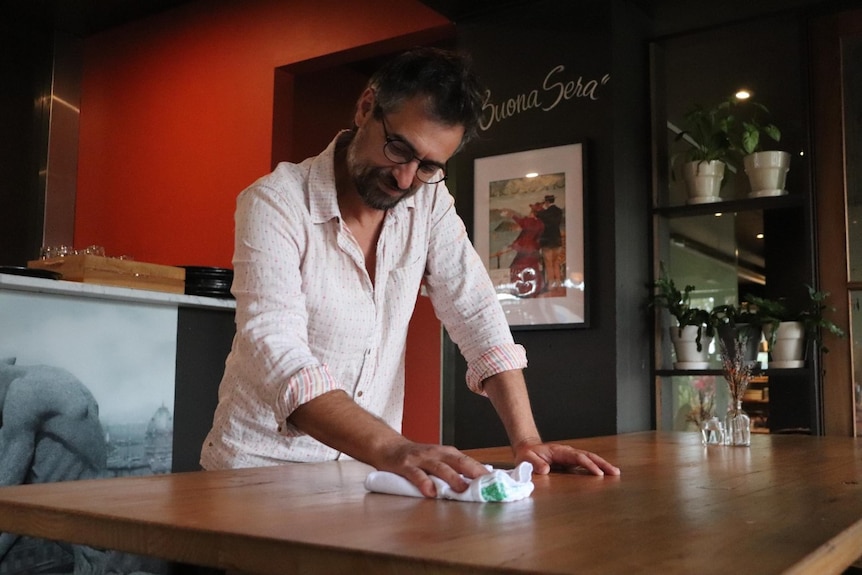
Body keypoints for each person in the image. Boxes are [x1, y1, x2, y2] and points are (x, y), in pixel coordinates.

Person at [201, 47, 619, 498]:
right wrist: (394, 447)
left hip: (366, 480)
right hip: (256, 479)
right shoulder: (276, 202)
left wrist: (528, 442)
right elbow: (276, 348)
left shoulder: (429, 202)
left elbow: (477, 313)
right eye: (399, 148)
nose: (405, 179)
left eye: (429, 166)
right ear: (365, 108)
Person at [536, 194, 564, 290]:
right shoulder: (559, 211)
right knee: (556, 262)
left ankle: (551, 284)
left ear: (546, 202)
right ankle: (559, 283)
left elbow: (537, 214)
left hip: (547, 240)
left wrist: (541, 207)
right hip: (557, 239)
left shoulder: (544, 213)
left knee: (548, 263)